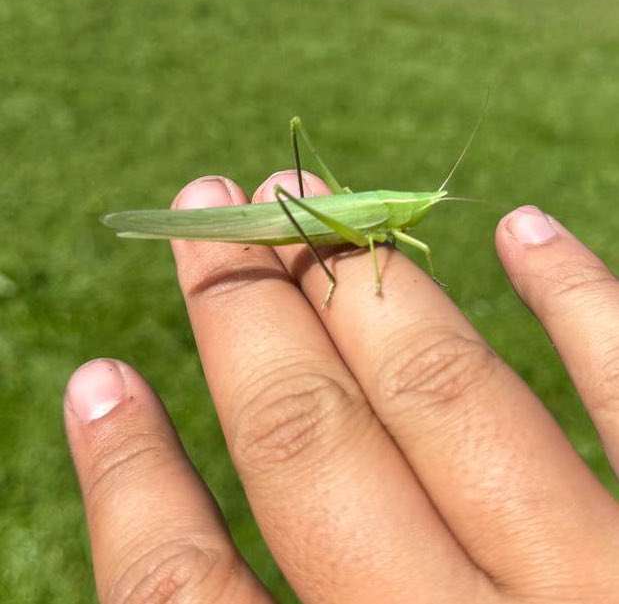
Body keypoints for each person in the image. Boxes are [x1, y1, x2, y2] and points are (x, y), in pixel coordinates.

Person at [64, 170, 619, 603]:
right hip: (317, 216)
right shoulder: (388, 224)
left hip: (333, 211)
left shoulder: (399, 210)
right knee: (323, 217)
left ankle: (158, 223)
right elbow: (389, 247)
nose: (424, 214)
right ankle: (188, 230)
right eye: (424, 208)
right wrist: (368, 274)